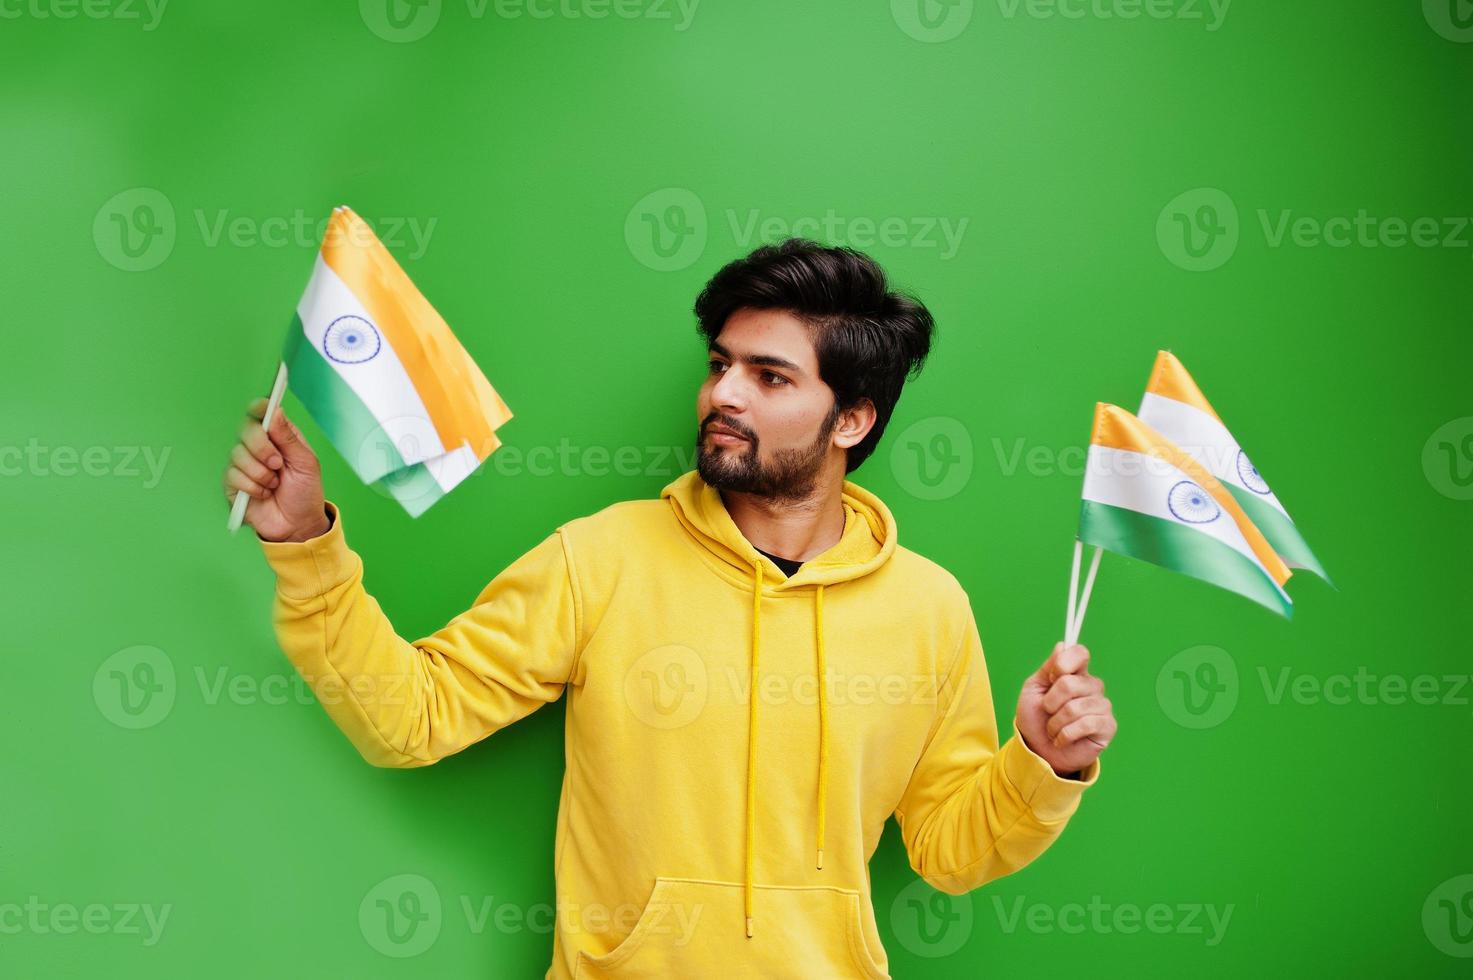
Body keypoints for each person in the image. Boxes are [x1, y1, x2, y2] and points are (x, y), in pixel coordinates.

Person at [221, 238, 1115, 979]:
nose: (723, 393)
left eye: (769, 377)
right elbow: (407, 720)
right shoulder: (603, 556)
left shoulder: (928, 608)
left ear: (849, 421)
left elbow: (950, 851)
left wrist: (1040, 762)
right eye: (721, 365)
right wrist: (305, 549)